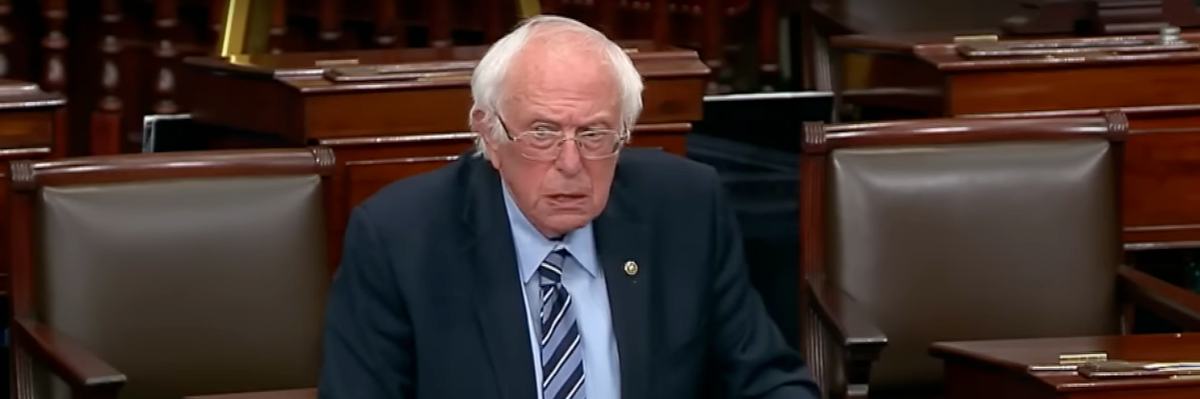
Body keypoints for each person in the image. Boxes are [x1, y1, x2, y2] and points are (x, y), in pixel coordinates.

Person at [317, 15, 821, 399]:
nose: (571, 163)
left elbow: (768, 379)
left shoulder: (685, 207)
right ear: (489, 134)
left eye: (595, 134)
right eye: (542, 132)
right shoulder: (400, 238)